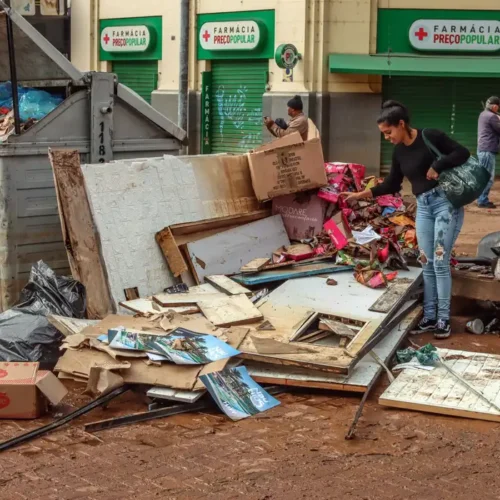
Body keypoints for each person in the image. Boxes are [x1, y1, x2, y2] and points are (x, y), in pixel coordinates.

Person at [342, 100, 470, 339]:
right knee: (426, 261)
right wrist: (361, 194)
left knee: (440, 263)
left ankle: (443, 319)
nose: (387, 138)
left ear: (401, 124)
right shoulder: (399, 151)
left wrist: (438, 165)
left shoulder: (430, 136)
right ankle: (430, 316)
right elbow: (392, 184)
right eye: (384, 134)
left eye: (389, 132)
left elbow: (463, 153)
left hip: (446, 204)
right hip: (423, 207)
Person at [477, 96, 500, 209]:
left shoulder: (483, 114)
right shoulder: (492, 117)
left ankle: (482, 199)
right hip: (487, 150)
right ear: (495, 106)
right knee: (488, 178)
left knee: (484, 176)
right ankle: (482, 200)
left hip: (483, 149)